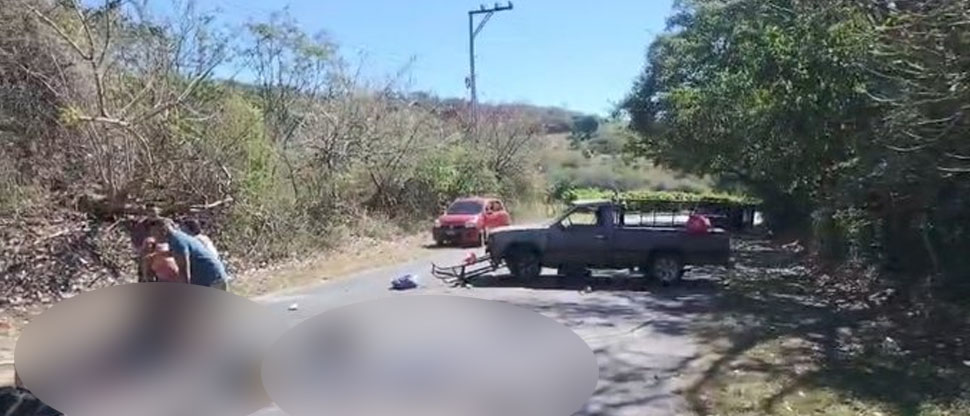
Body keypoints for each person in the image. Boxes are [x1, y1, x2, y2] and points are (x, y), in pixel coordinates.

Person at [147, 218, 231, 291]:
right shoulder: (178, 238)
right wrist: (157, 255)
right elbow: (178, 253)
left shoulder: (178, 242)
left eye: (154, 233)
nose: (154, 237)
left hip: (211, 280)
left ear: (163, 230)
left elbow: (184, 270)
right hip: (213, 277)